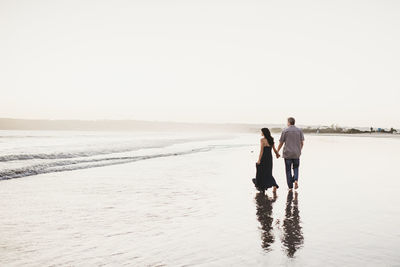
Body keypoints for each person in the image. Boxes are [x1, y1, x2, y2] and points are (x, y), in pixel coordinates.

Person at [277, 117, 304, 190]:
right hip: (296, 154)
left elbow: (281, 142)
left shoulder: (285, 131)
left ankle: (290, 187)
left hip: (287, 154)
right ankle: (295, 180)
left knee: (288, 170)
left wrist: (277, 151)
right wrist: (299, 150)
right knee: (296, 168)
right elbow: (302, 143)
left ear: (289, 122)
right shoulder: (299, 130)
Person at [252, 128, 280, 194]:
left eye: (261, 132)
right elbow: (274, 148)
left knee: (261, 172)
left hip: (264, 158)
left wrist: (259, 160)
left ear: (264, 133)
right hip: (269, 158)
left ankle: (262, 186)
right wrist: (277, 154)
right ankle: (274, 185)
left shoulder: (262, 140)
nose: (261, 133)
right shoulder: (271, 139)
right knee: (268, 172)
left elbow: (261, 151)